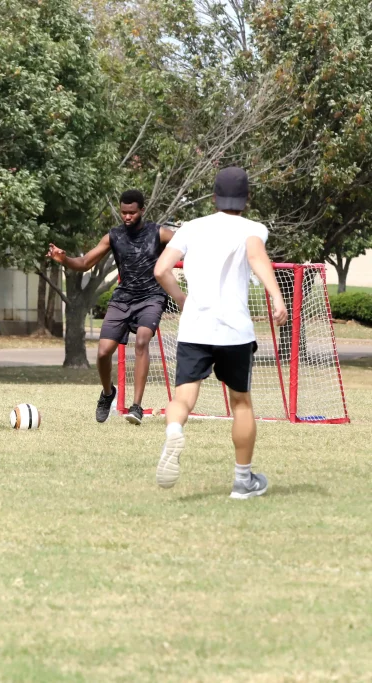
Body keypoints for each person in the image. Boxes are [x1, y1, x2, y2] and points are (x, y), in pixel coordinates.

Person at [153, 167, 287, 499]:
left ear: (213, 197)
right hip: (234, 332)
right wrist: (276, 296)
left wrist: (182, 299)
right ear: (247, 200)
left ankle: (173, 430)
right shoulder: (252, 228)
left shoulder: (191, 228)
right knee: (240, 402)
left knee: (183, 397)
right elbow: (256, 257)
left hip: (195, 329)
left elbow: (160, 269)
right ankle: (243, 482)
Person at [47, 190, 174, 425]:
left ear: (142, 211)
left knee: (143, 339)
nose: (127, 217)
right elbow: (85, 263)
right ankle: (107, 393)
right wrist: (64, 259)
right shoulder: (113, 236)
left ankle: (136, 406)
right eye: (124, 212)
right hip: (123, 298)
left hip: (151, 296)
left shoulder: (158, 232)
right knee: (104, 351)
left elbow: (185, 243)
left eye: (132, 213)